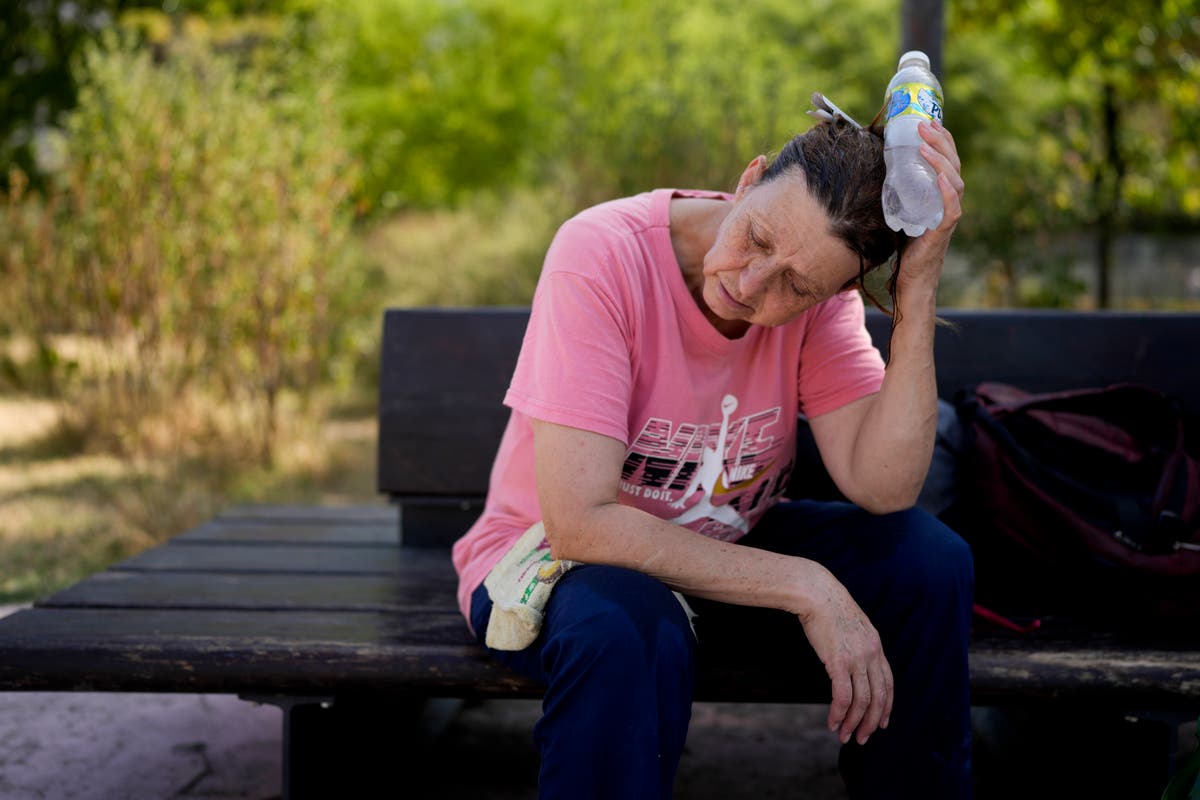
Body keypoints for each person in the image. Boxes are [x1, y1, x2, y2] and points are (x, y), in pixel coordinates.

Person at [451, 93, 972, 799]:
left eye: (795, 284)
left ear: (838, 289)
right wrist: (806, 586)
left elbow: (885, 487)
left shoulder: (826, 306)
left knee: (927, 562)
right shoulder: (602, 252)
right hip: (557, 559)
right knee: (624, 624)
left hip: (723, 549)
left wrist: (917, 293)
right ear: (749, 178)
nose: (750, 283)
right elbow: (580, 520)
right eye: (755, 237)